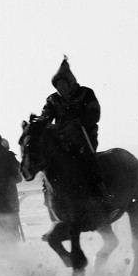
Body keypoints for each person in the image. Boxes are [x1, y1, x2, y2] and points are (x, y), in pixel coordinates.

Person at [40, 56, 106, 201]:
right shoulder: (52, 100)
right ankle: (50, 195)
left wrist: (80, 122)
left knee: (87, 161)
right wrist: (42, 121)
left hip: (84, 136)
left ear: (70, 82)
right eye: (58, 85)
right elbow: (46, 115)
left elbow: (94, 113)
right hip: (62, 139)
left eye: (63, 84)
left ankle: (100, 194)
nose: (61, 88)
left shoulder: (86, 93)